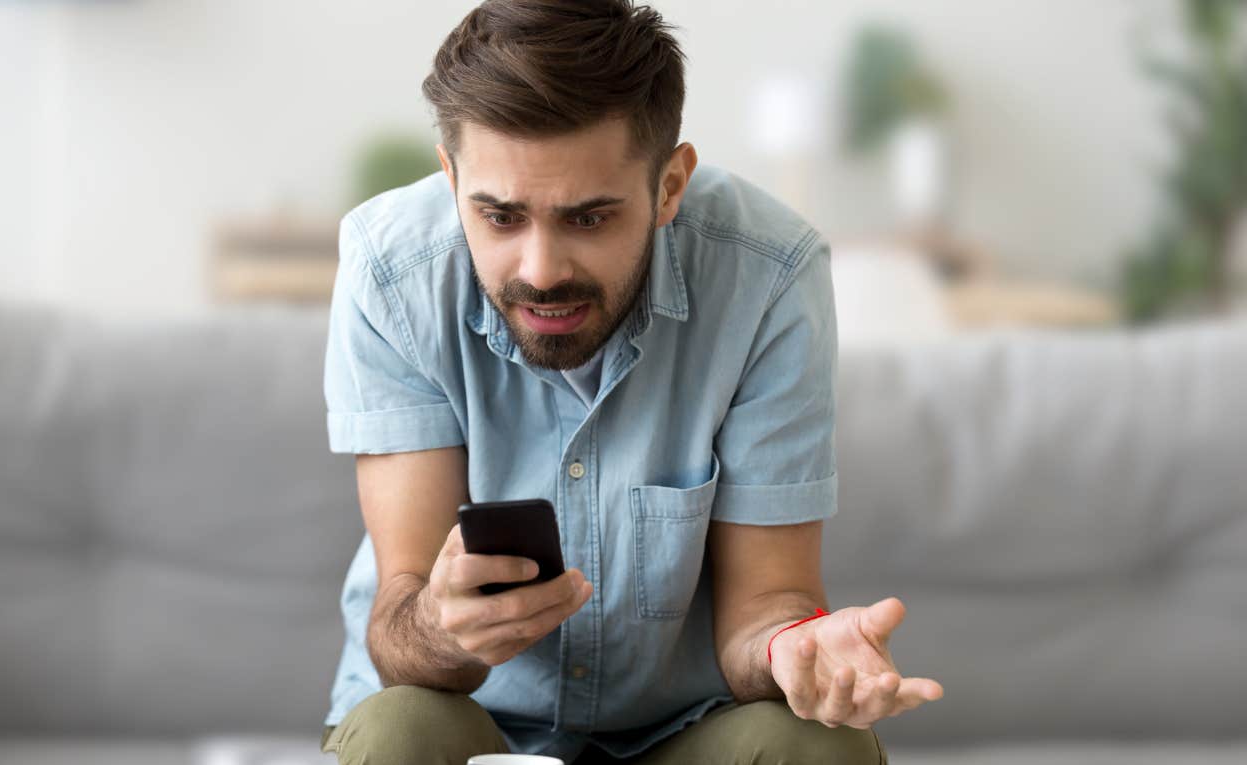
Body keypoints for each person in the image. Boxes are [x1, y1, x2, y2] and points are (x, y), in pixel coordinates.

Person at [318, 1, 943, 762]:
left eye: (589, 219)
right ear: (452, 182)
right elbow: (399, 621)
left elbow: (763, 607)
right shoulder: (391, 273)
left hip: (686, 730)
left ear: (670, 185)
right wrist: (442, 627)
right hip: (474, 722)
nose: (541, 270)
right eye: (501, 217)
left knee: (819, 746)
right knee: (401, 729)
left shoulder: (770, 277)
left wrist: (793, 649)